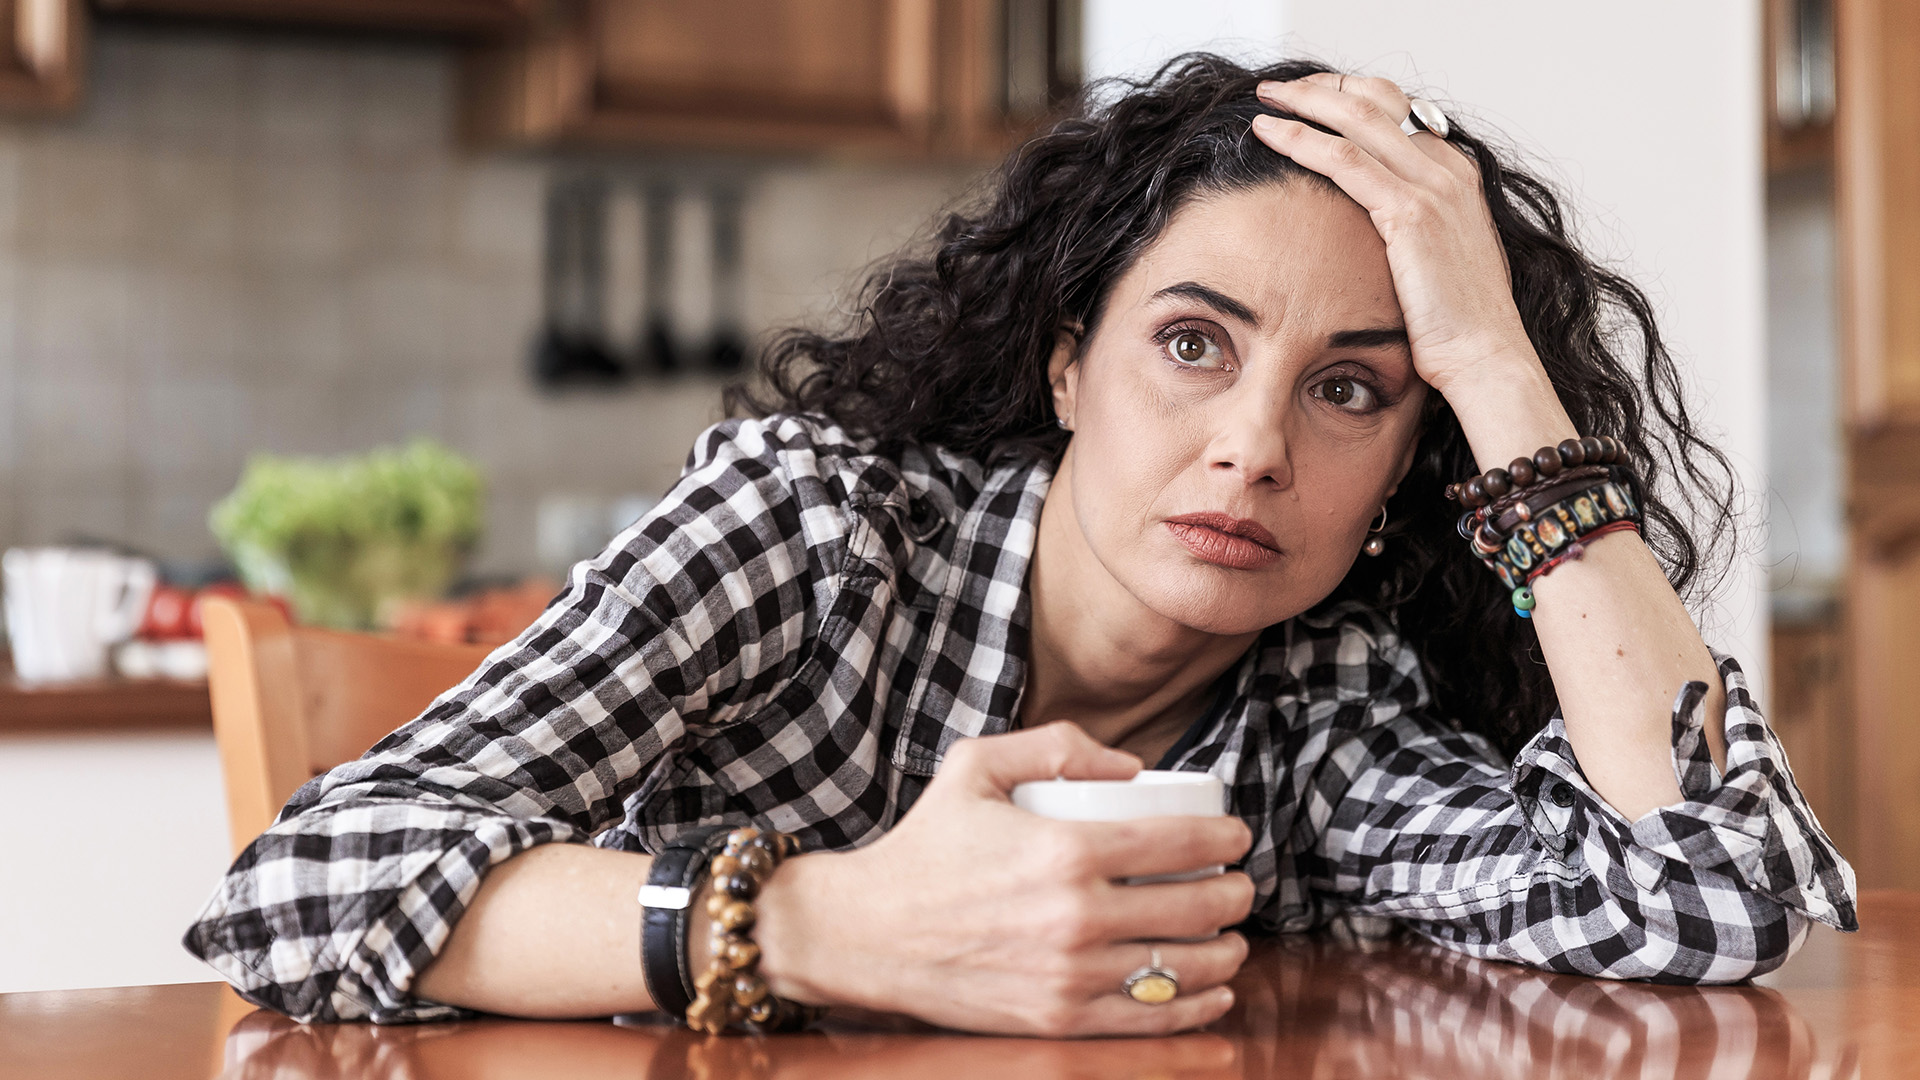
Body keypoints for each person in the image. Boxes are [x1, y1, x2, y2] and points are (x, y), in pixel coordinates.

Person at [184, 56, 1856, 1037]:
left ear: (1415, 466)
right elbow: (301, 885)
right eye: (1192, 345)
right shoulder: (814, 532)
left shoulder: (1319, 708)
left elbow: (1709, 897)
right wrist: (822, 926)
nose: (1252, 449)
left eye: (1355, 391)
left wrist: (1499, 372)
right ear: (1068, 359)